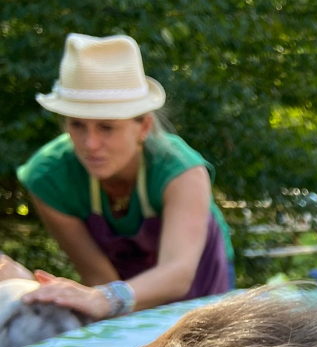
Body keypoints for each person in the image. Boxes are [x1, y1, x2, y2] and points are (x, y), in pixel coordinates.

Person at [8, 33, 233, 321]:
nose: (90, 144)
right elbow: (97, 276)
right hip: (115, 291)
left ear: (143, 127)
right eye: (77, 125)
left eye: (106, 127)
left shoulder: (181, 170)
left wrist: (107, 298)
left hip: (200, 284)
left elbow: (178, 273)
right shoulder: (47, 177)